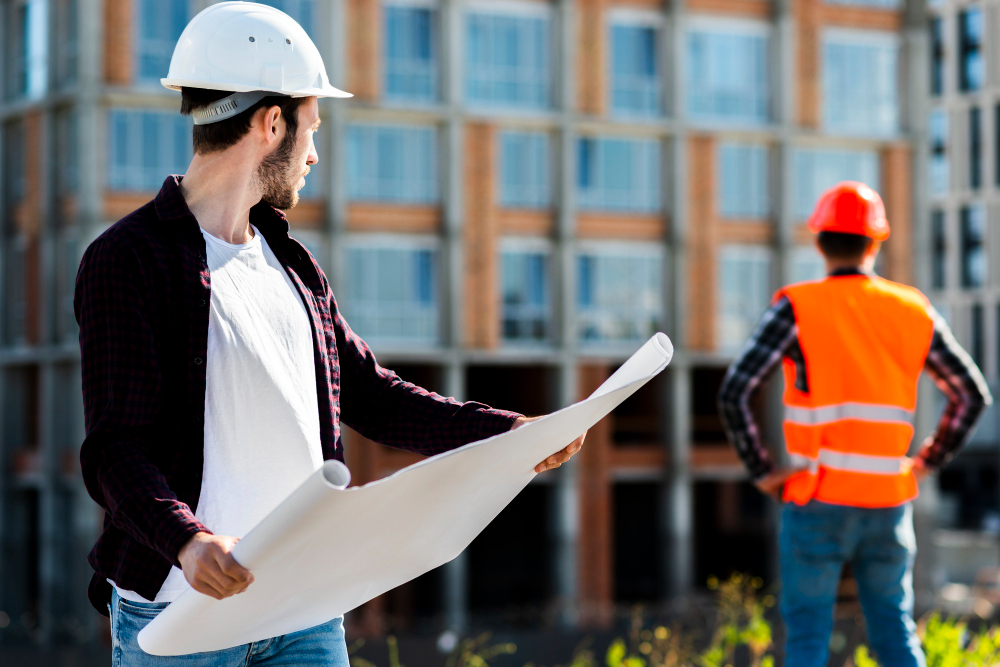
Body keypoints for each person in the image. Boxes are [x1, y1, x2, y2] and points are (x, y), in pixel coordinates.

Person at [75, 3, 584, 665]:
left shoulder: (292, 263)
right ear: (272, 122)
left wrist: (510, 433)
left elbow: (372, 394)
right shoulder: (128, 259)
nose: (313, 154)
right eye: (311, 127)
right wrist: (187, 541)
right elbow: (113, 448)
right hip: (183, 616)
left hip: (305, 611)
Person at [717, 181, 992, 667]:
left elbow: (735, 390)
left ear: (820, 241)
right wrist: (927, 462)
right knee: (895, 631)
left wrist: (762, 472)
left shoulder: (798, 307)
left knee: (807, 638)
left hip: (815, 496)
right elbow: (971, 394)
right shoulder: (913, 309)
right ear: (875, 242)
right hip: (888, 499)